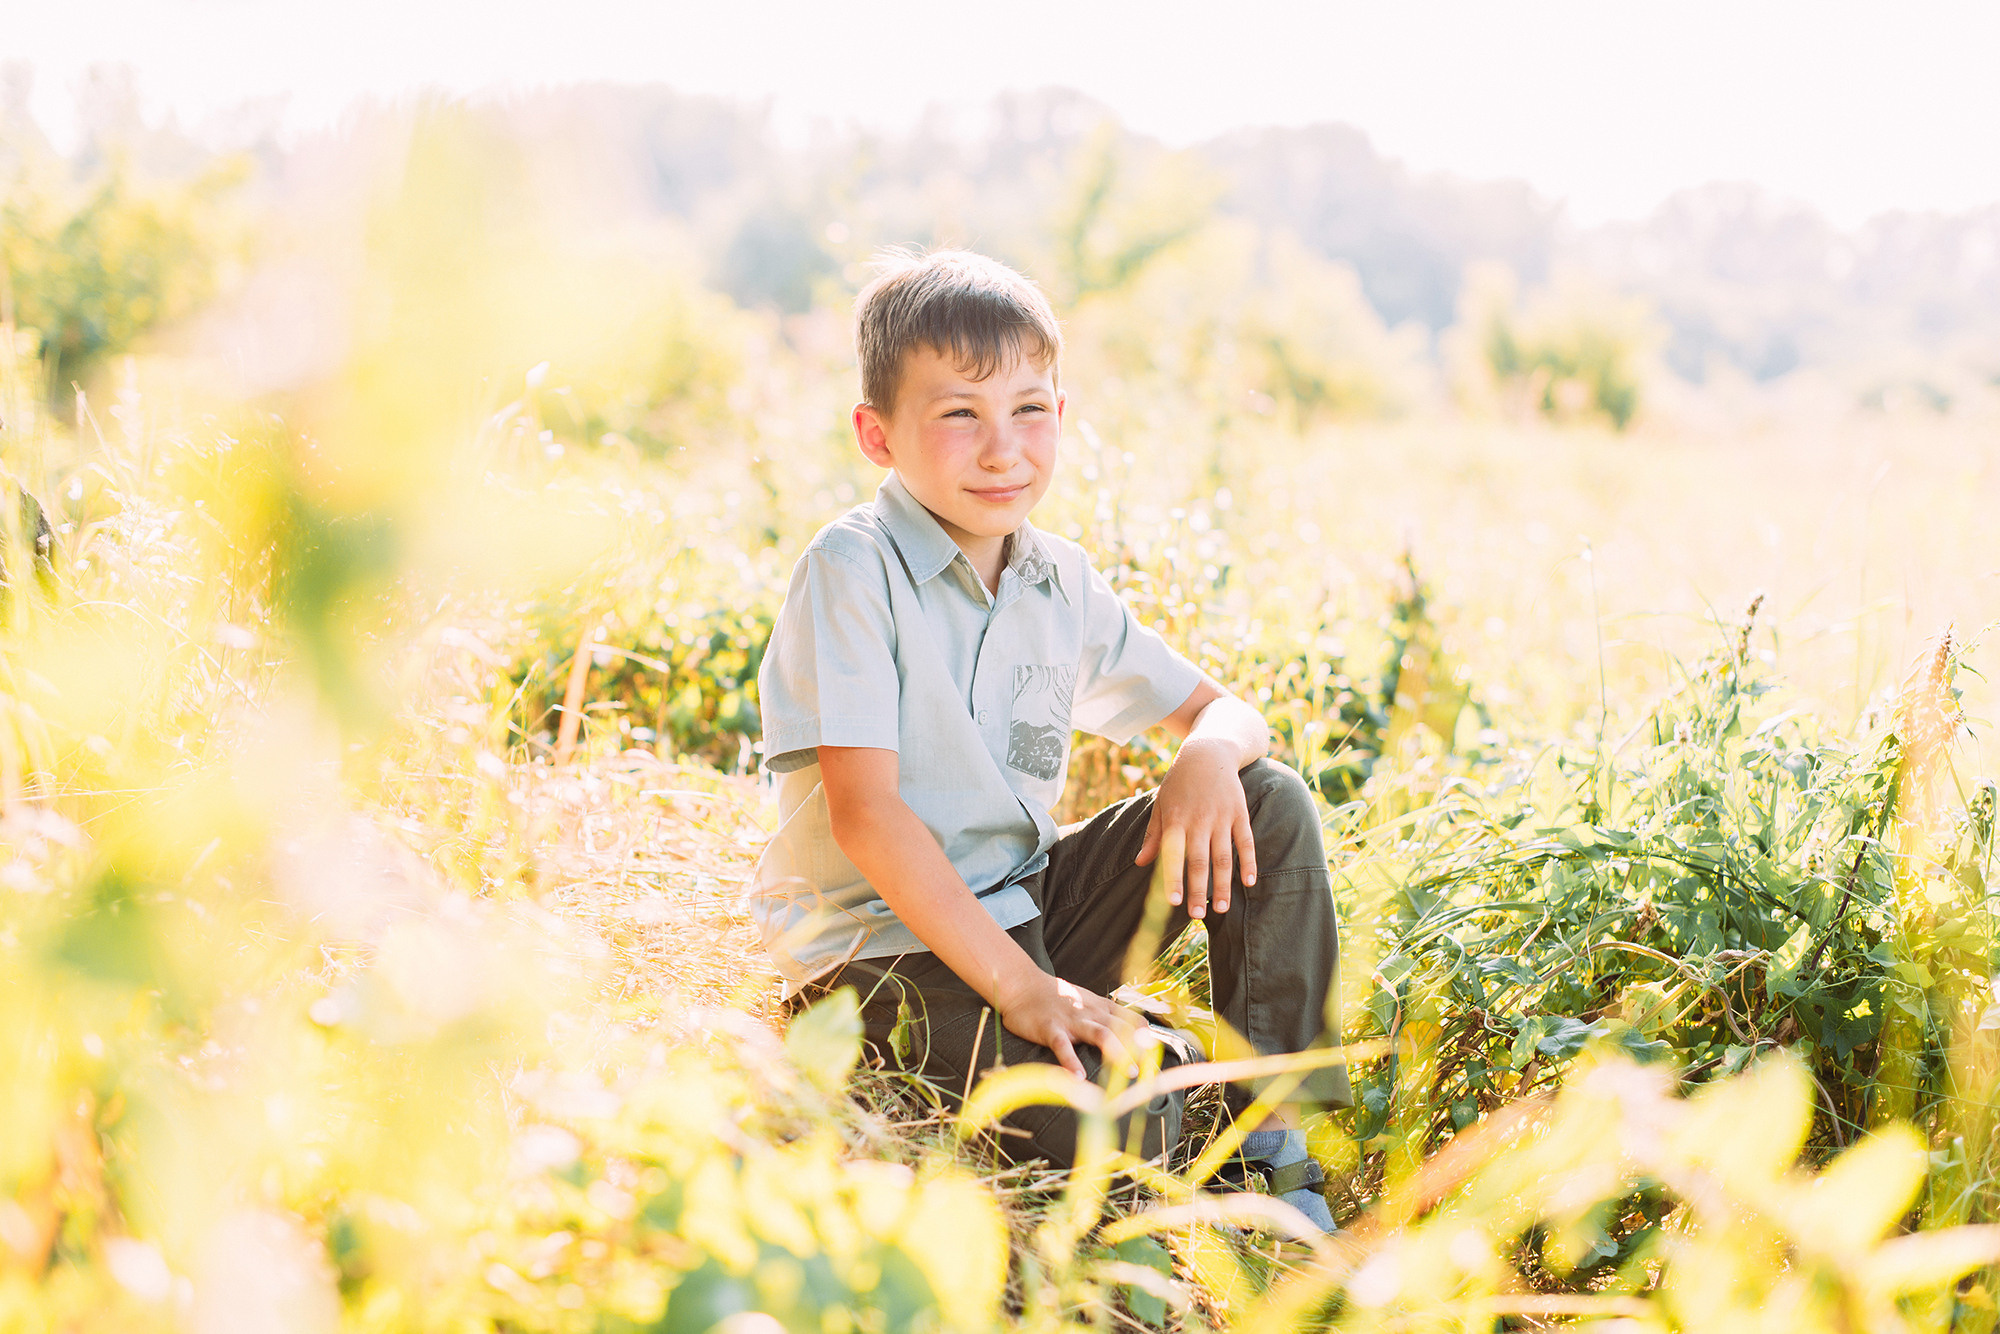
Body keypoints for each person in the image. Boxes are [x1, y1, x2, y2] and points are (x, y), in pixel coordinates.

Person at [751, 248, 1349, 1230]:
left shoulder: (1055, 578)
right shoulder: (852, 568)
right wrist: (1024, 989)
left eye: (1029, 409)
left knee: (1266, 795)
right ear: (877, 433)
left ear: (1061, 417)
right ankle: (1162, 1097)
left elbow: (1228, 711)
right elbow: (865, 817)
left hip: (1024, 909)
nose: (1002, 449)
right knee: (1117, 1130)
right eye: (958, 414)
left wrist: (1203, 749)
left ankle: (1267, 1133)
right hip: (875, 951)